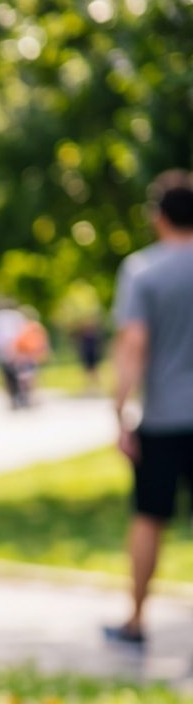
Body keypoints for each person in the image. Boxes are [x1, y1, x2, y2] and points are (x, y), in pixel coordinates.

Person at [105, 170, 193, 649]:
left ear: (158, 216)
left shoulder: (143, 271)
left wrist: (120, 413)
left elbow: (133, 344)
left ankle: (136, 621)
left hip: (162, 418)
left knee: (148, 519)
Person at [73, 313, 106, 393]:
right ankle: (88, 387)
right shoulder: (83, 335)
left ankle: (98, 387)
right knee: (87, 371)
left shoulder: (95, 335)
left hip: (93, 354)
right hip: (86, 354)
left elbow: (99, 345)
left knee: (95, 370)